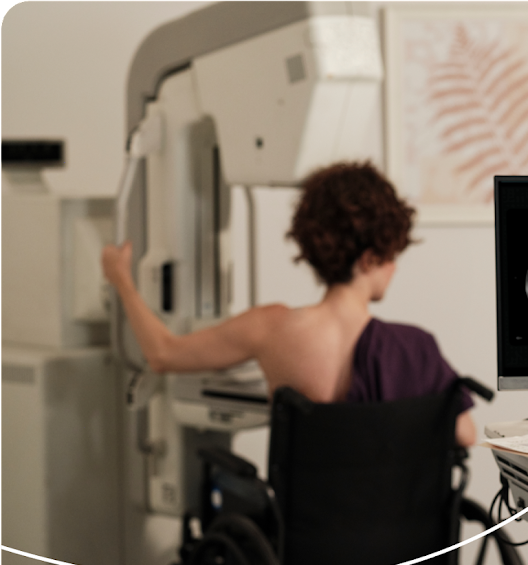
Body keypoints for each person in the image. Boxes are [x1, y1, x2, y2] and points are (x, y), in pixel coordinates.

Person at [102, 160, 476, 446]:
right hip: (405, 542)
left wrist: (122, 279)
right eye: (390, 254)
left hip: (308, 537)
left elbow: (162, 354)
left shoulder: (270, 328)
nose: (394, 266)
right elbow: (465, 434)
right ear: (368, 259)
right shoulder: (414, 349)